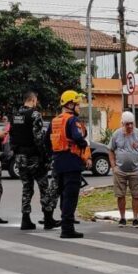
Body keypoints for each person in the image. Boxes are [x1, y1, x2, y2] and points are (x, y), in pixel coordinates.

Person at [11, 91, 61, 230]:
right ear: (33, 100)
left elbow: (12, 136)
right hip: (34, 157)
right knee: (44, 187)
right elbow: (38, 138)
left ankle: (25, 219)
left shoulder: (15, 115)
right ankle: (48, 218)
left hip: (20, 157)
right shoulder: (35, 115)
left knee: (27, 188)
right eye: (36, 100)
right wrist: (45, 156)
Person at [49, 90, 91, 239]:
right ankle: (67, 229)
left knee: (63, 195)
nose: (79, 107)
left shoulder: (55, 120)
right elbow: (78, 137)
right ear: (70, 104)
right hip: (72, 162)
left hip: (58, 162)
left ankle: (65, 225)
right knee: (71, 197)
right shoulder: (72, 120)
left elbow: (47, 142)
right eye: (77, 104)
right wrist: (84, 146)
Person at [108, 111, 138, 227]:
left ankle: (135, 218)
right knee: (120, 195)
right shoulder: (116, 134)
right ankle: (122, 218)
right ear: (122, 123)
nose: (130, 126)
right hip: (120, 170)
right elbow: (111, 150)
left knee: (136, 195)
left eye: (132, 123)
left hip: (135, 170)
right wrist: (113, 167)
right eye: (127, 124)